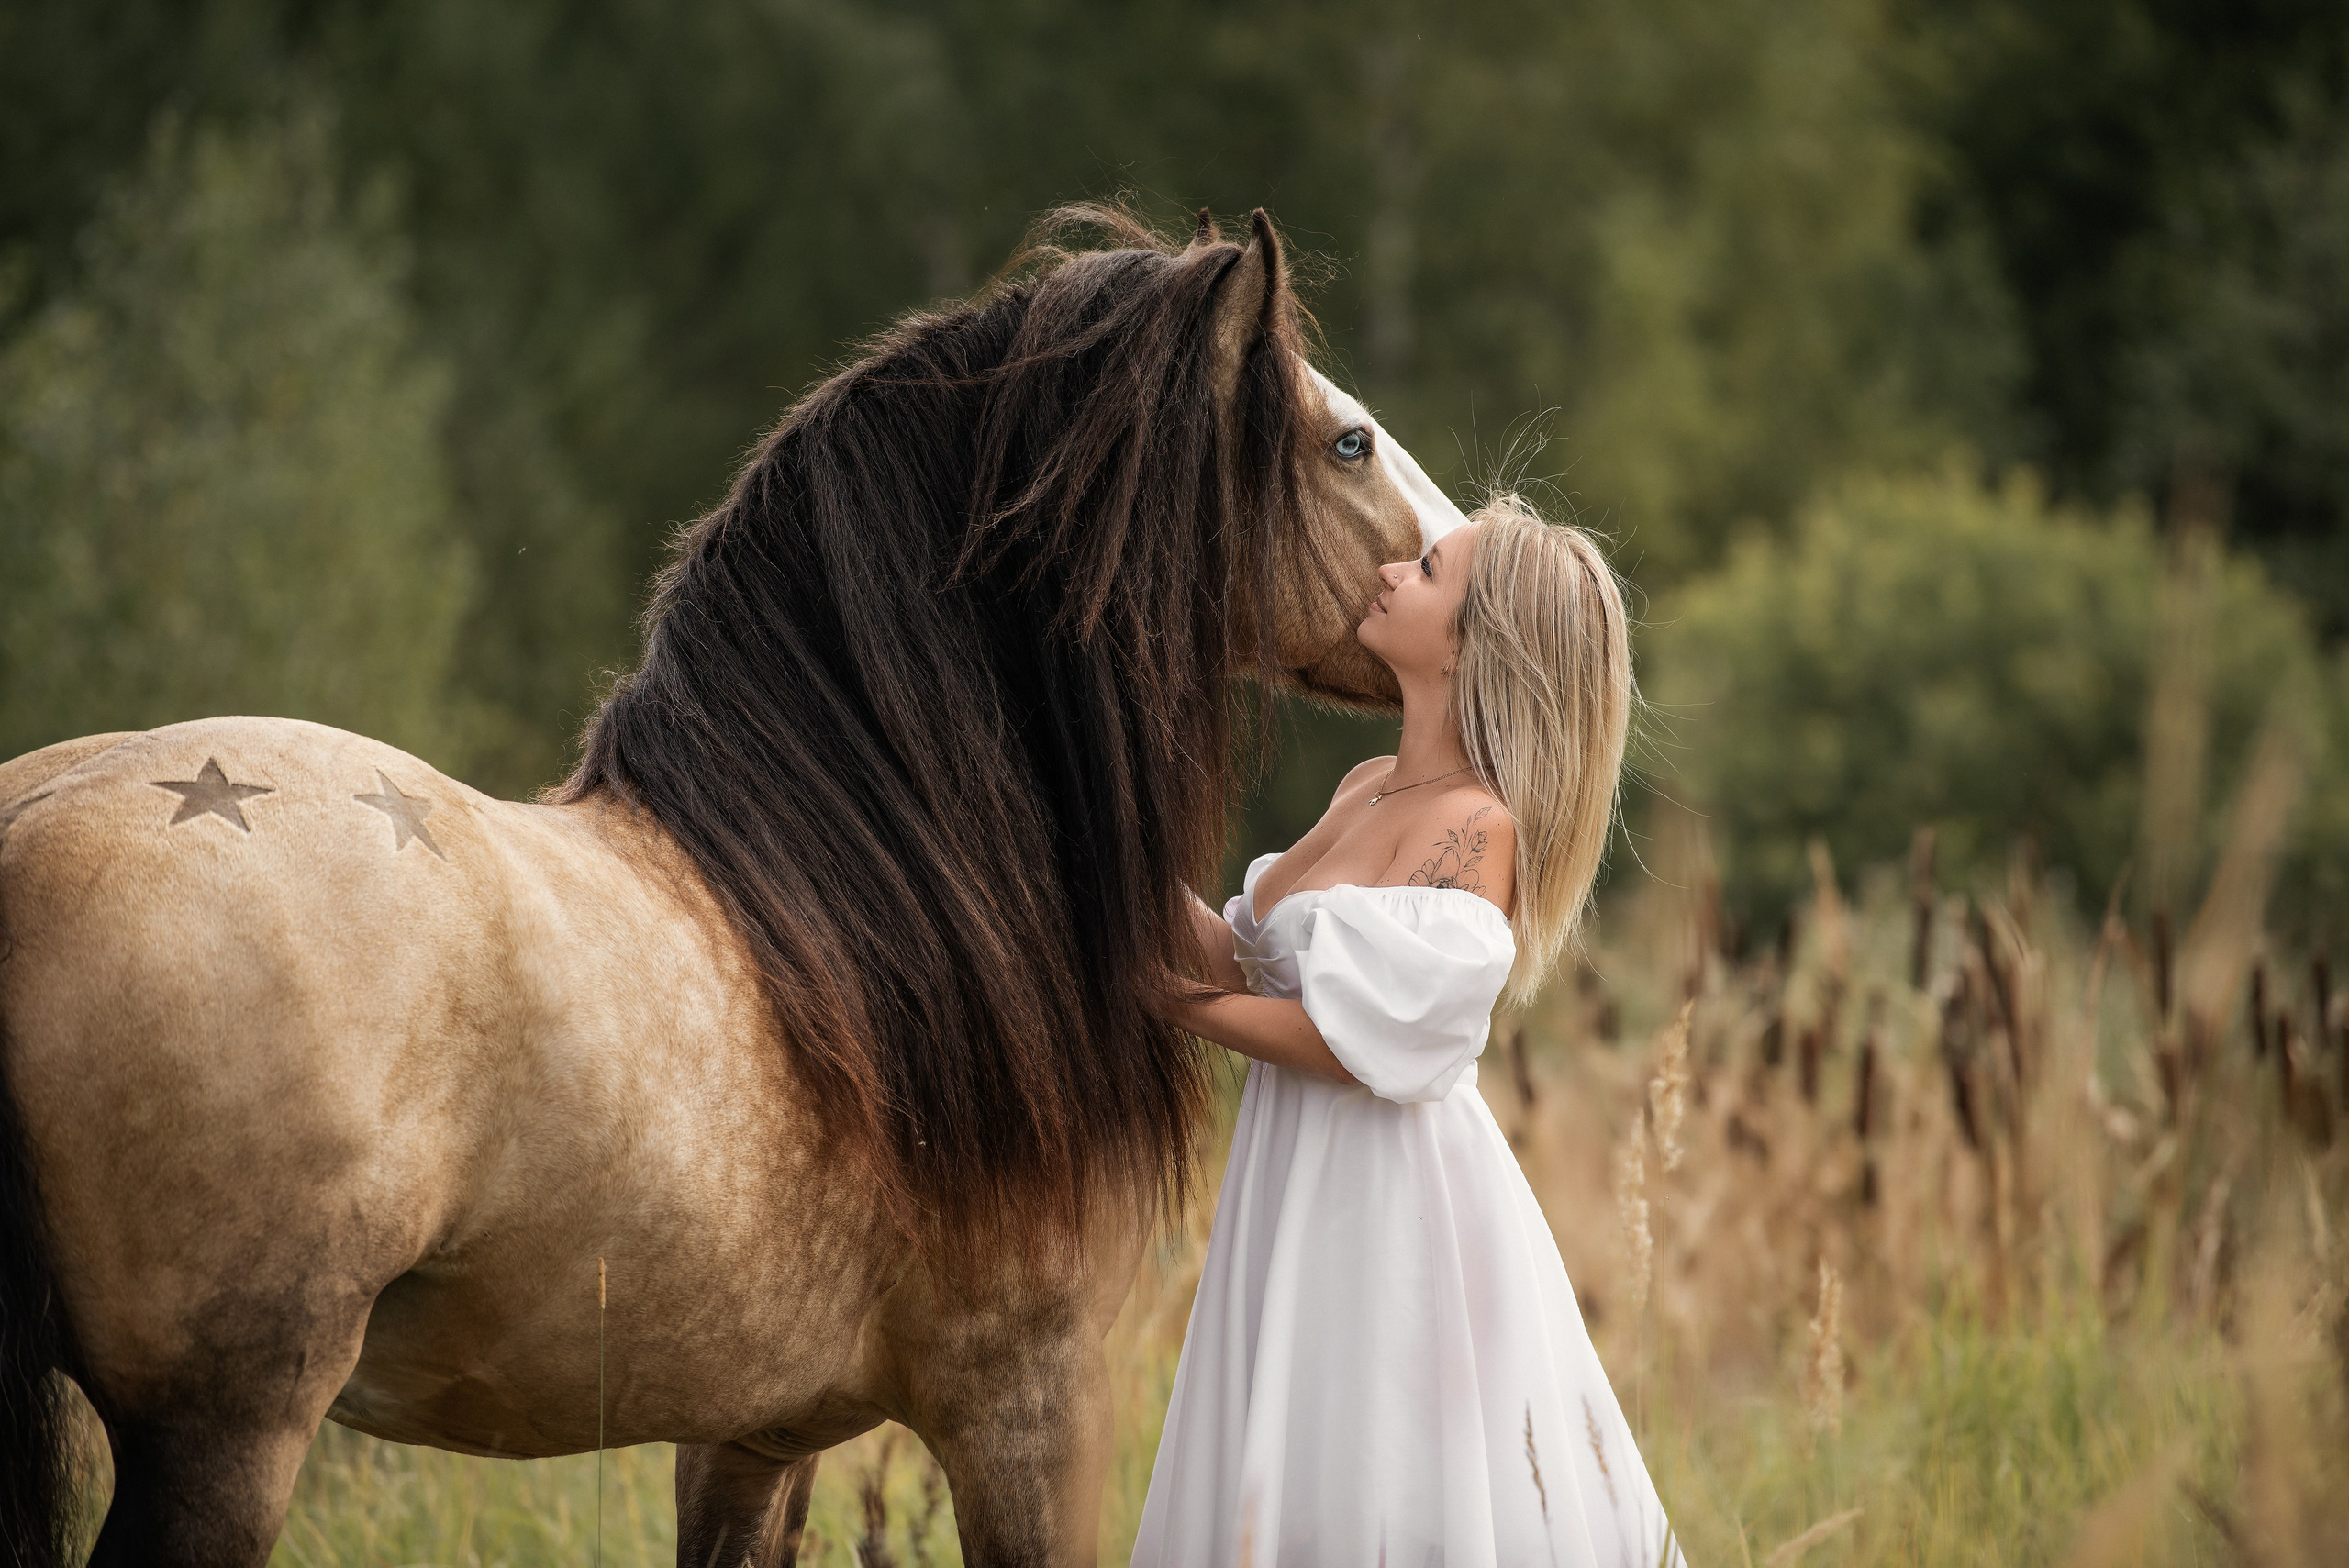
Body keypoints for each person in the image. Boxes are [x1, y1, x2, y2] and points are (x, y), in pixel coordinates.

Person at [1133, 495, 1683, 1567]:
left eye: (1427, 569)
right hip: (1299, 1179)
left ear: (1472, 643)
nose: (1389, 573)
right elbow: (1245, 957)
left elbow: (1345, 1046)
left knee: (1371, 1471)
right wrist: (1111, 849)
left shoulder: (1477, 827)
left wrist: (1159, 1001)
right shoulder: (1368, 785)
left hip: (1382, 1206)